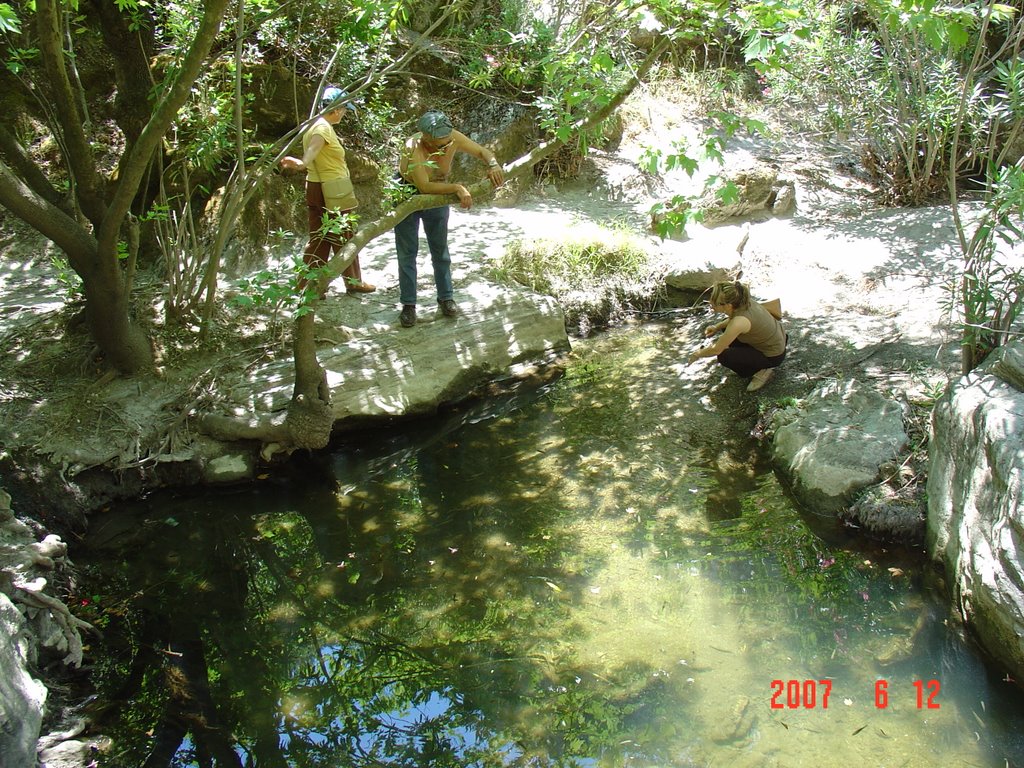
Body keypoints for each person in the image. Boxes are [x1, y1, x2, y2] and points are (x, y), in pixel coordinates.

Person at [394, 110, 504, 327]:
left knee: (440, 249)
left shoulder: (452, 136)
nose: (446, 147)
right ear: (426, 139)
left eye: (448, 143)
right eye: (440, 145)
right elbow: (424, 186)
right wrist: (457, 188)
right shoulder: (413, 146)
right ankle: (409, 305)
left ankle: (446, 297)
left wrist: (493, 164)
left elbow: (482, 151)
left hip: (440, 193)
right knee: (408, 251)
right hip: (407, 193)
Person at [279, 86, 374, 296]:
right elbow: (312, 152)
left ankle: (307, 285)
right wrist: (301, 163)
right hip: (332, 190)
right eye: (344, 110)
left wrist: (303, 164)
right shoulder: (322, 128)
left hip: (317, 187)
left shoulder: (315, 125)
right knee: (344, 236)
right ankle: (353, 281)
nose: (345, 113)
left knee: (320, 238)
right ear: (336, 109)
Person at [687, 280, 787, 392]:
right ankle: (749, 358)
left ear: (729, 305)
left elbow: (716, 350)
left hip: (773, 356)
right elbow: (732, 319)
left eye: (715, 301)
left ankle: (762, 370)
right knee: (726, 329)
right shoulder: (743, 301)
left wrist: (697, 354)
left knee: (725, 356)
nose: (710, 302)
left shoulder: (739, 322)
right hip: (779, 340)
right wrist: (717, 327)